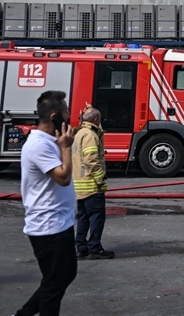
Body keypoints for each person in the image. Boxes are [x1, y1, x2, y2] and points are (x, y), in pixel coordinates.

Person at [15, 90, 77, 316]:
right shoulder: (39, 145)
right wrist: (67, 147)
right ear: (55, 117)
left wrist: (64, 144)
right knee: (53, 285)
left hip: (60, 223)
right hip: (48, 226)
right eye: (66, 112)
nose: (70, 116)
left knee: (65, 274)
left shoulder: (51, 141)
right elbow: (63, 177)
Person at [72, 106, 113, 260]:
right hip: (91, 185)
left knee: (83, 217)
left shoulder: (80, 133)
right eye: (99, 120)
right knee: (96, 217)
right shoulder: (90, 135)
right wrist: (100, 178)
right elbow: (91, 159)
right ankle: (94, 248)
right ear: (96, 120)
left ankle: (81, 248)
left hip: (80, 185)